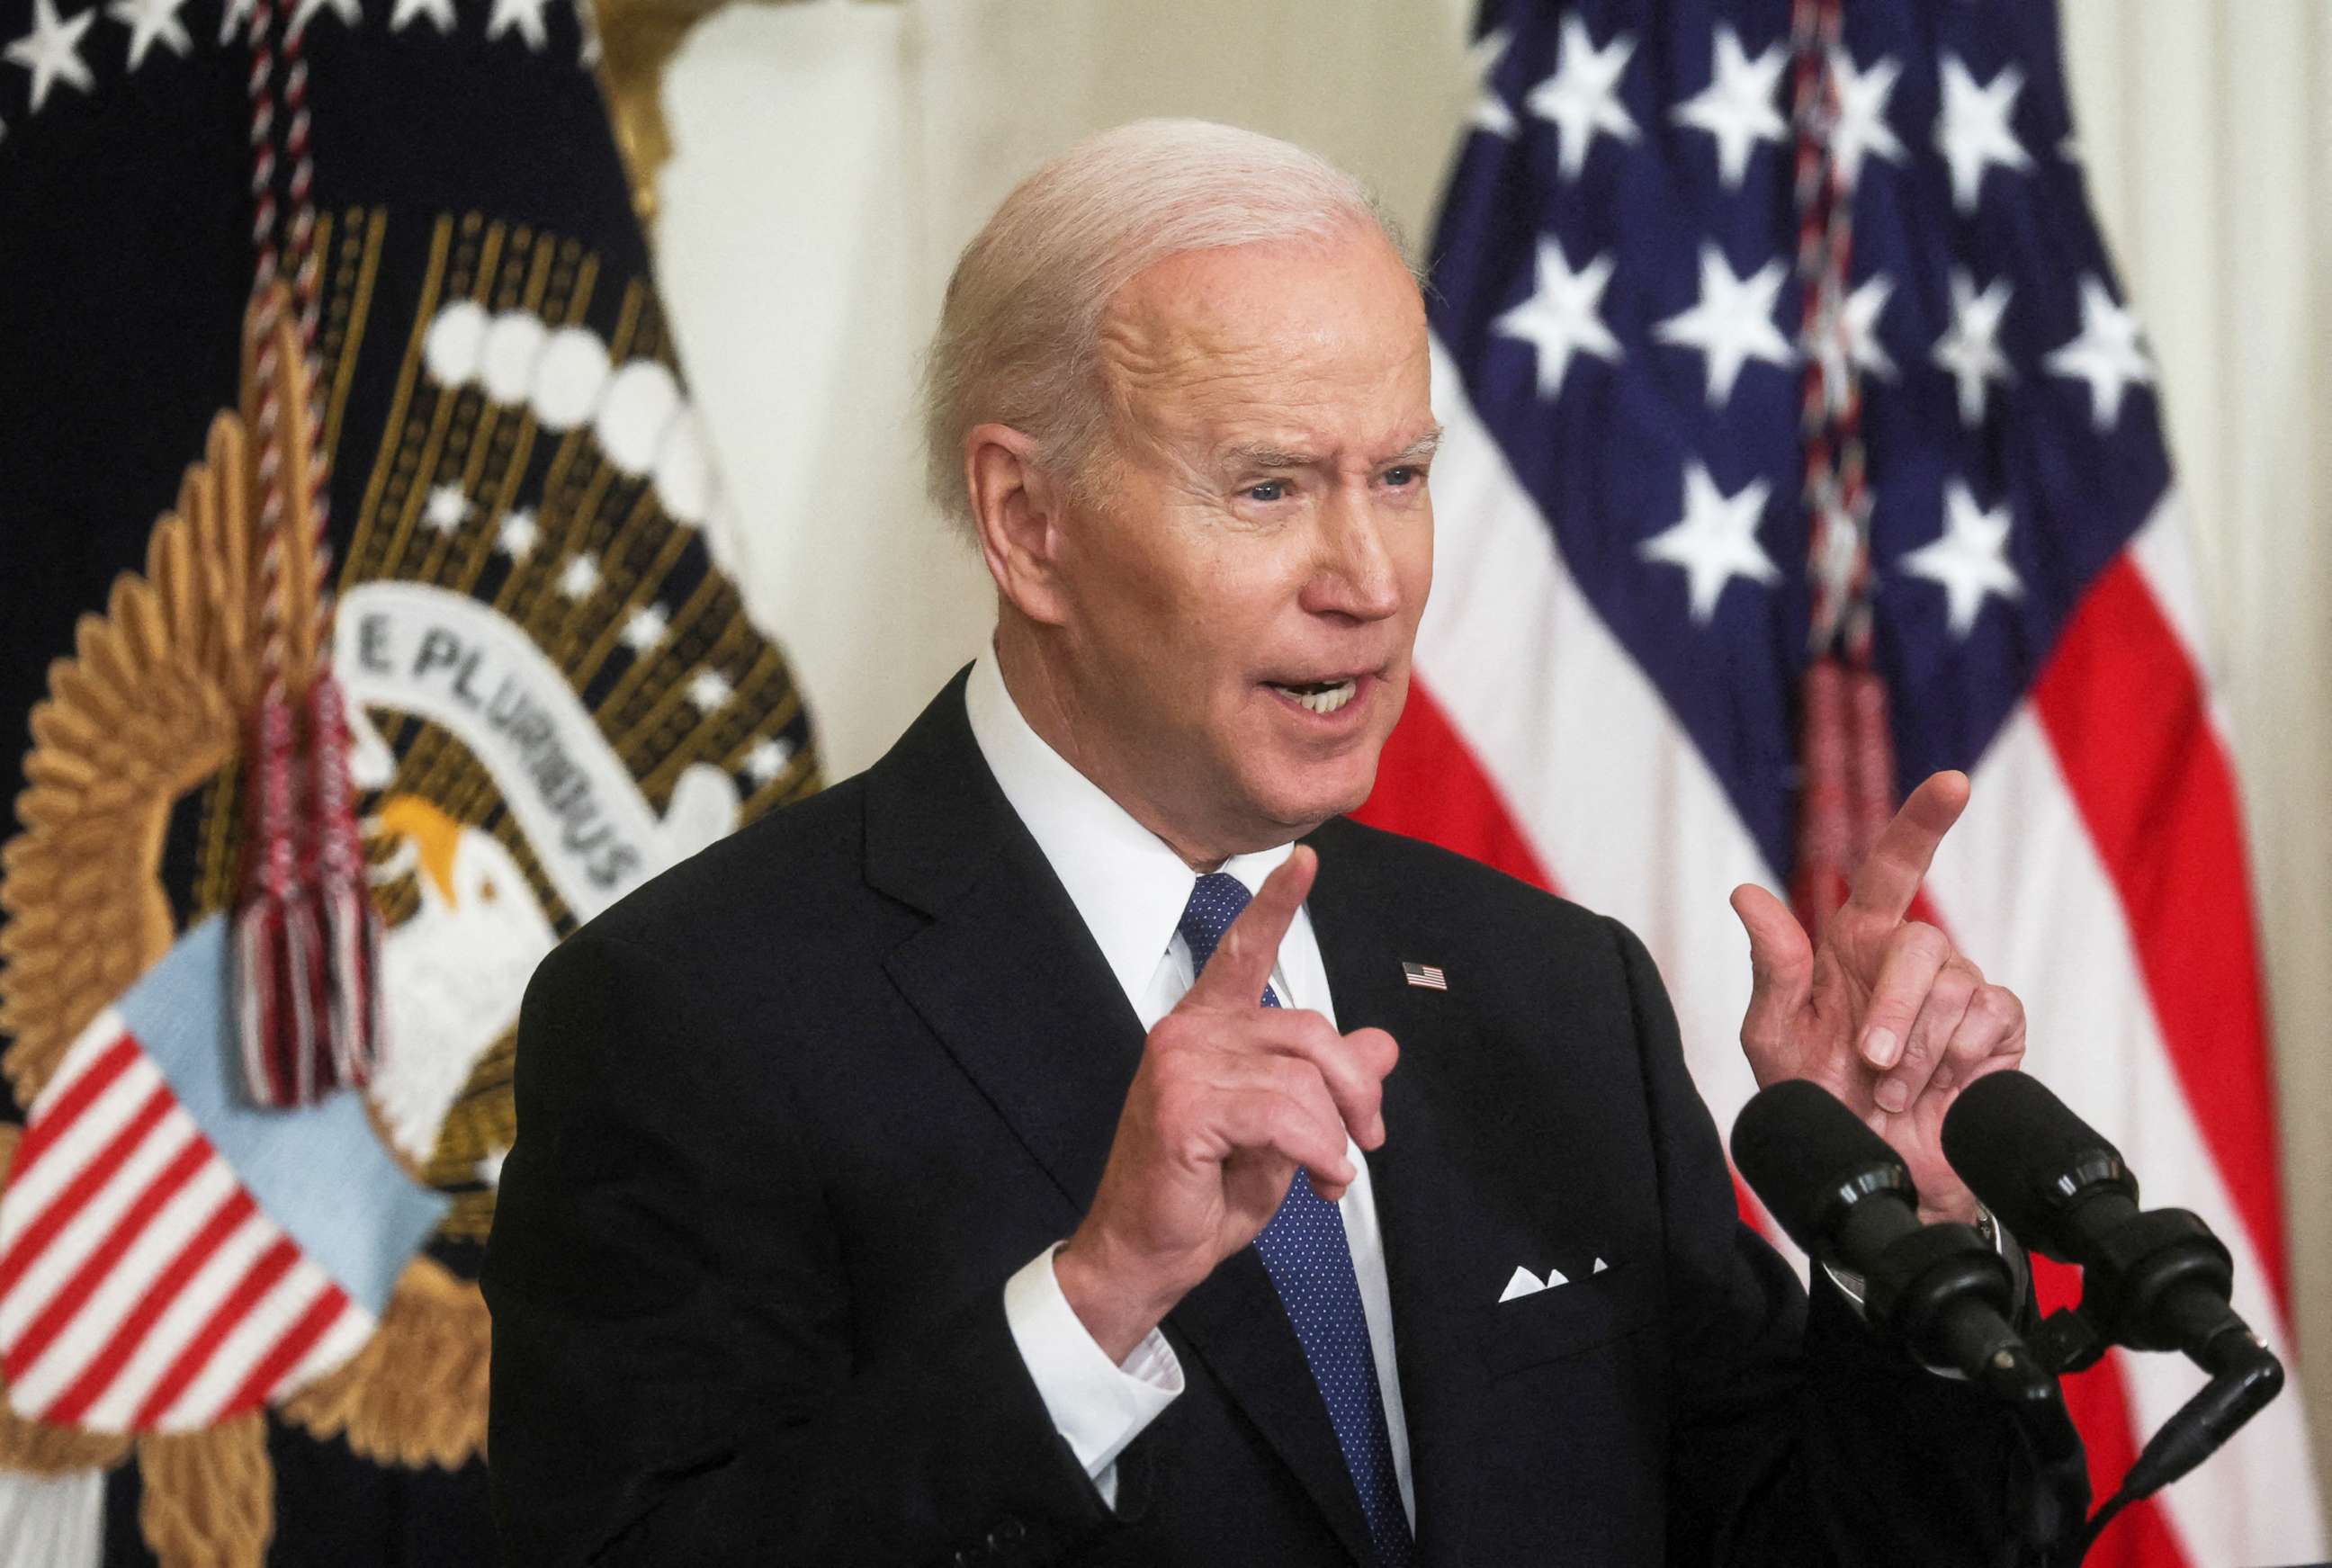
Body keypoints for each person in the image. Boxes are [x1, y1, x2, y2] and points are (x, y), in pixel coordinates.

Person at [482, 119, 2050, 1566]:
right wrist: (1090, 1307)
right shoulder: (696, 1014)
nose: (1366, 576)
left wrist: (1900, 1247)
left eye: (1402, 477)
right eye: (1270, 486)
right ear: (1030, 524)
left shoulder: (1555, 993)